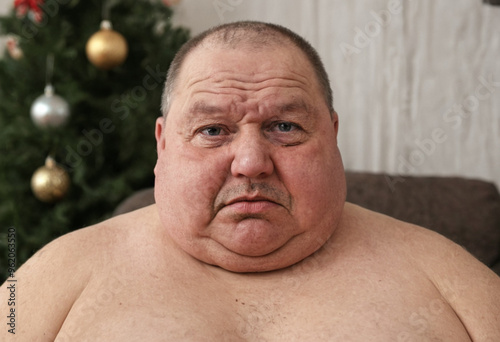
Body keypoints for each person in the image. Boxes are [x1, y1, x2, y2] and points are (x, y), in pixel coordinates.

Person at [1, 21, 499, 341]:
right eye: (213, 130)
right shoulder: (49, 281)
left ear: (333, 134)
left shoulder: (450, 279)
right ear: (163, 145)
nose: (251, 162)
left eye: (285, 127)